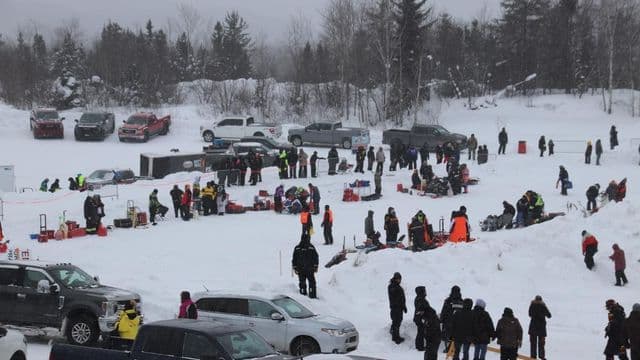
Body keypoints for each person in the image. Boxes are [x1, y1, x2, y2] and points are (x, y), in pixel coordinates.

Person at [292, 233, 319, 298]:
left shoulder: (298, 247)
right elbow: (316, 257)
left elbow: (294, 259)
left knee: (302, 283)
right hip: (308, 269)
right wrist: (315, 266)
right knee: (311, 283)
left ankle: (303, 294)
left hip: (301, 269)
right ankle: (312, 295)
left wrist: (295, 267)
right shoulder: (310, 247)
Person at [441, 285, 464, 353]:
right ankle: (454, 348)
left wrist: (441, 319)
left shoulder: (448, 300)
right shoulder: (461, 301)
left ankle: (448, 349)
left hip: (448, 322)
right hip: (458, 322)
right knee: (455, 336)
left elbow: (444, 311)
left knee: (448, 335)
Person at [528, 295, 552, 360]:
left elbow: (529, 314)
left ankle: (533, 357)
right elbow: (549, 315)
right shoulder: (543, 306)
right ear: (541, 300)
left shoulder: (532, 305)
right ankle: (542, 356)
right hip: (541, 328)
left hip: (533, 327)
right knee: (541, 344)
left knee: (533, 343)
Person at [388, 272, 407, 344]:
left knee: (398, 321)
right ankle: (395, 338)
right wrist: (399, 305)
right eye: (398, 279)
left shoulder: (398, 286)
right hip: (395, 308)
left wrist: (404, 306)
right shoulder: (392, 286)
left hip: (399, 308)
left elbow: (401, 298)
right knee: (396, 322)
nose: (399, 280)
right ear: (395, 278)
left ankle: (394, 333)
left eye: (400, 279)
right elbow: (395, 297)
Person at [414, 286, 429, 351]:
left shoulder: (420, 298)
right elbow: (421, 310)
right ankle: (420, 347)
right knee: (421, 332)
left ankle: (419, 345)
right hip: (420, 319)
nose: (425, 292)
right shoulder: (420, 299)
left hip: (419, 318)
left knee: (420, 332)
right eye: (424, 290)